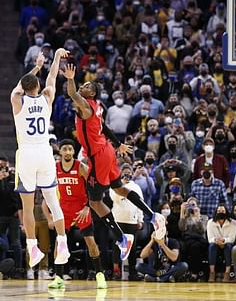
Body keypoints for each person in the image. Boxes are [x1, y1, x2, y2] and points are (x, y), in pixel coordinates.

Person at [61, 63, 165, 263]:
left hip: (98, 156)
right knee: (119, 189)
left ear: (92, 93)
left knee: (94, 201)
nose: (85, 86)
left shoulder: (87, 105)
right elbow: (105, 128)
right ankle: (153, 216)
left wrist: (70, 78)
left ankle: (121, 238)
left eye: (88, 86)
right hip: (106, 151)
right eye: (85, 84)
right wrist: (118, 145)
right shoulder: (98, 107)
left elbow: (72, 94)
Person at [10, 50, 71, 270]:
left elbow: (19, 86)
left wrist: (36, 67)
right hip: (45, 153)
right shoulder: (47, 97)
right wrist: (55, 58)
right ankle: (62, 242)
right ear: (37, 85)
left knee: (28, 207)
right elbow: (53, 76)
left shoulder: (17, 99)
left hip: (26, 153)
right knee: (54, 202)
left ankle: (32, 247)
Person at [49, 139, 107, 289]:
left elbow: (95, 187)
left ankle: (100, 275)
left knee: (90, 242)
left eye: (70, 149)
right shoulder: (54, 168)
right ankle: (59, 277)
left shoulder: (81, 167)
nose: (67, 152)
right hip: (63, 209)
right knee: (59, 242)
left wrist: (88, 207)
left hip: (81, 208)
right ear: (60, 151)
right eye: (65, 149)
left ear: (74, 152)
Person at [110, 164, 144, 282]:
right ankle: (116, 271)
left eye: (129, 172)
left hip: (132, 221)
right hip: (118, 220)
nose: (127, 174)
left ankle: (133, 272)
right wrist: (122, 185)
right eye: (124, 172)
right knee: (117, 247)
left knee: (132, 248)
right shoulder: (114, 186)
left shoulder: (136, 187)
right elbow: (115, 198)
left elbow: (141, 204)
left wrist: (140, 219)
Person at [206, 205, 236, 282]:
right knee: (211, 246)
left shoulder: (232, 223)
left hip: (227, 243)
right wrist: (216, 240)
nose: (221, 213)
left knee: (228, 246)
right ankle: (212, 272)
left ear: (226, 212)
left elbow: (232, 239)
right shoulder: (210, 222)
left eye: (223, 211)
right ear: (216, 212)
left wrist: (223, 240)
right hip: (215, 243)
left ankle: (227, 272)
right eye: (219, 211)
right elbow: (210, 239)